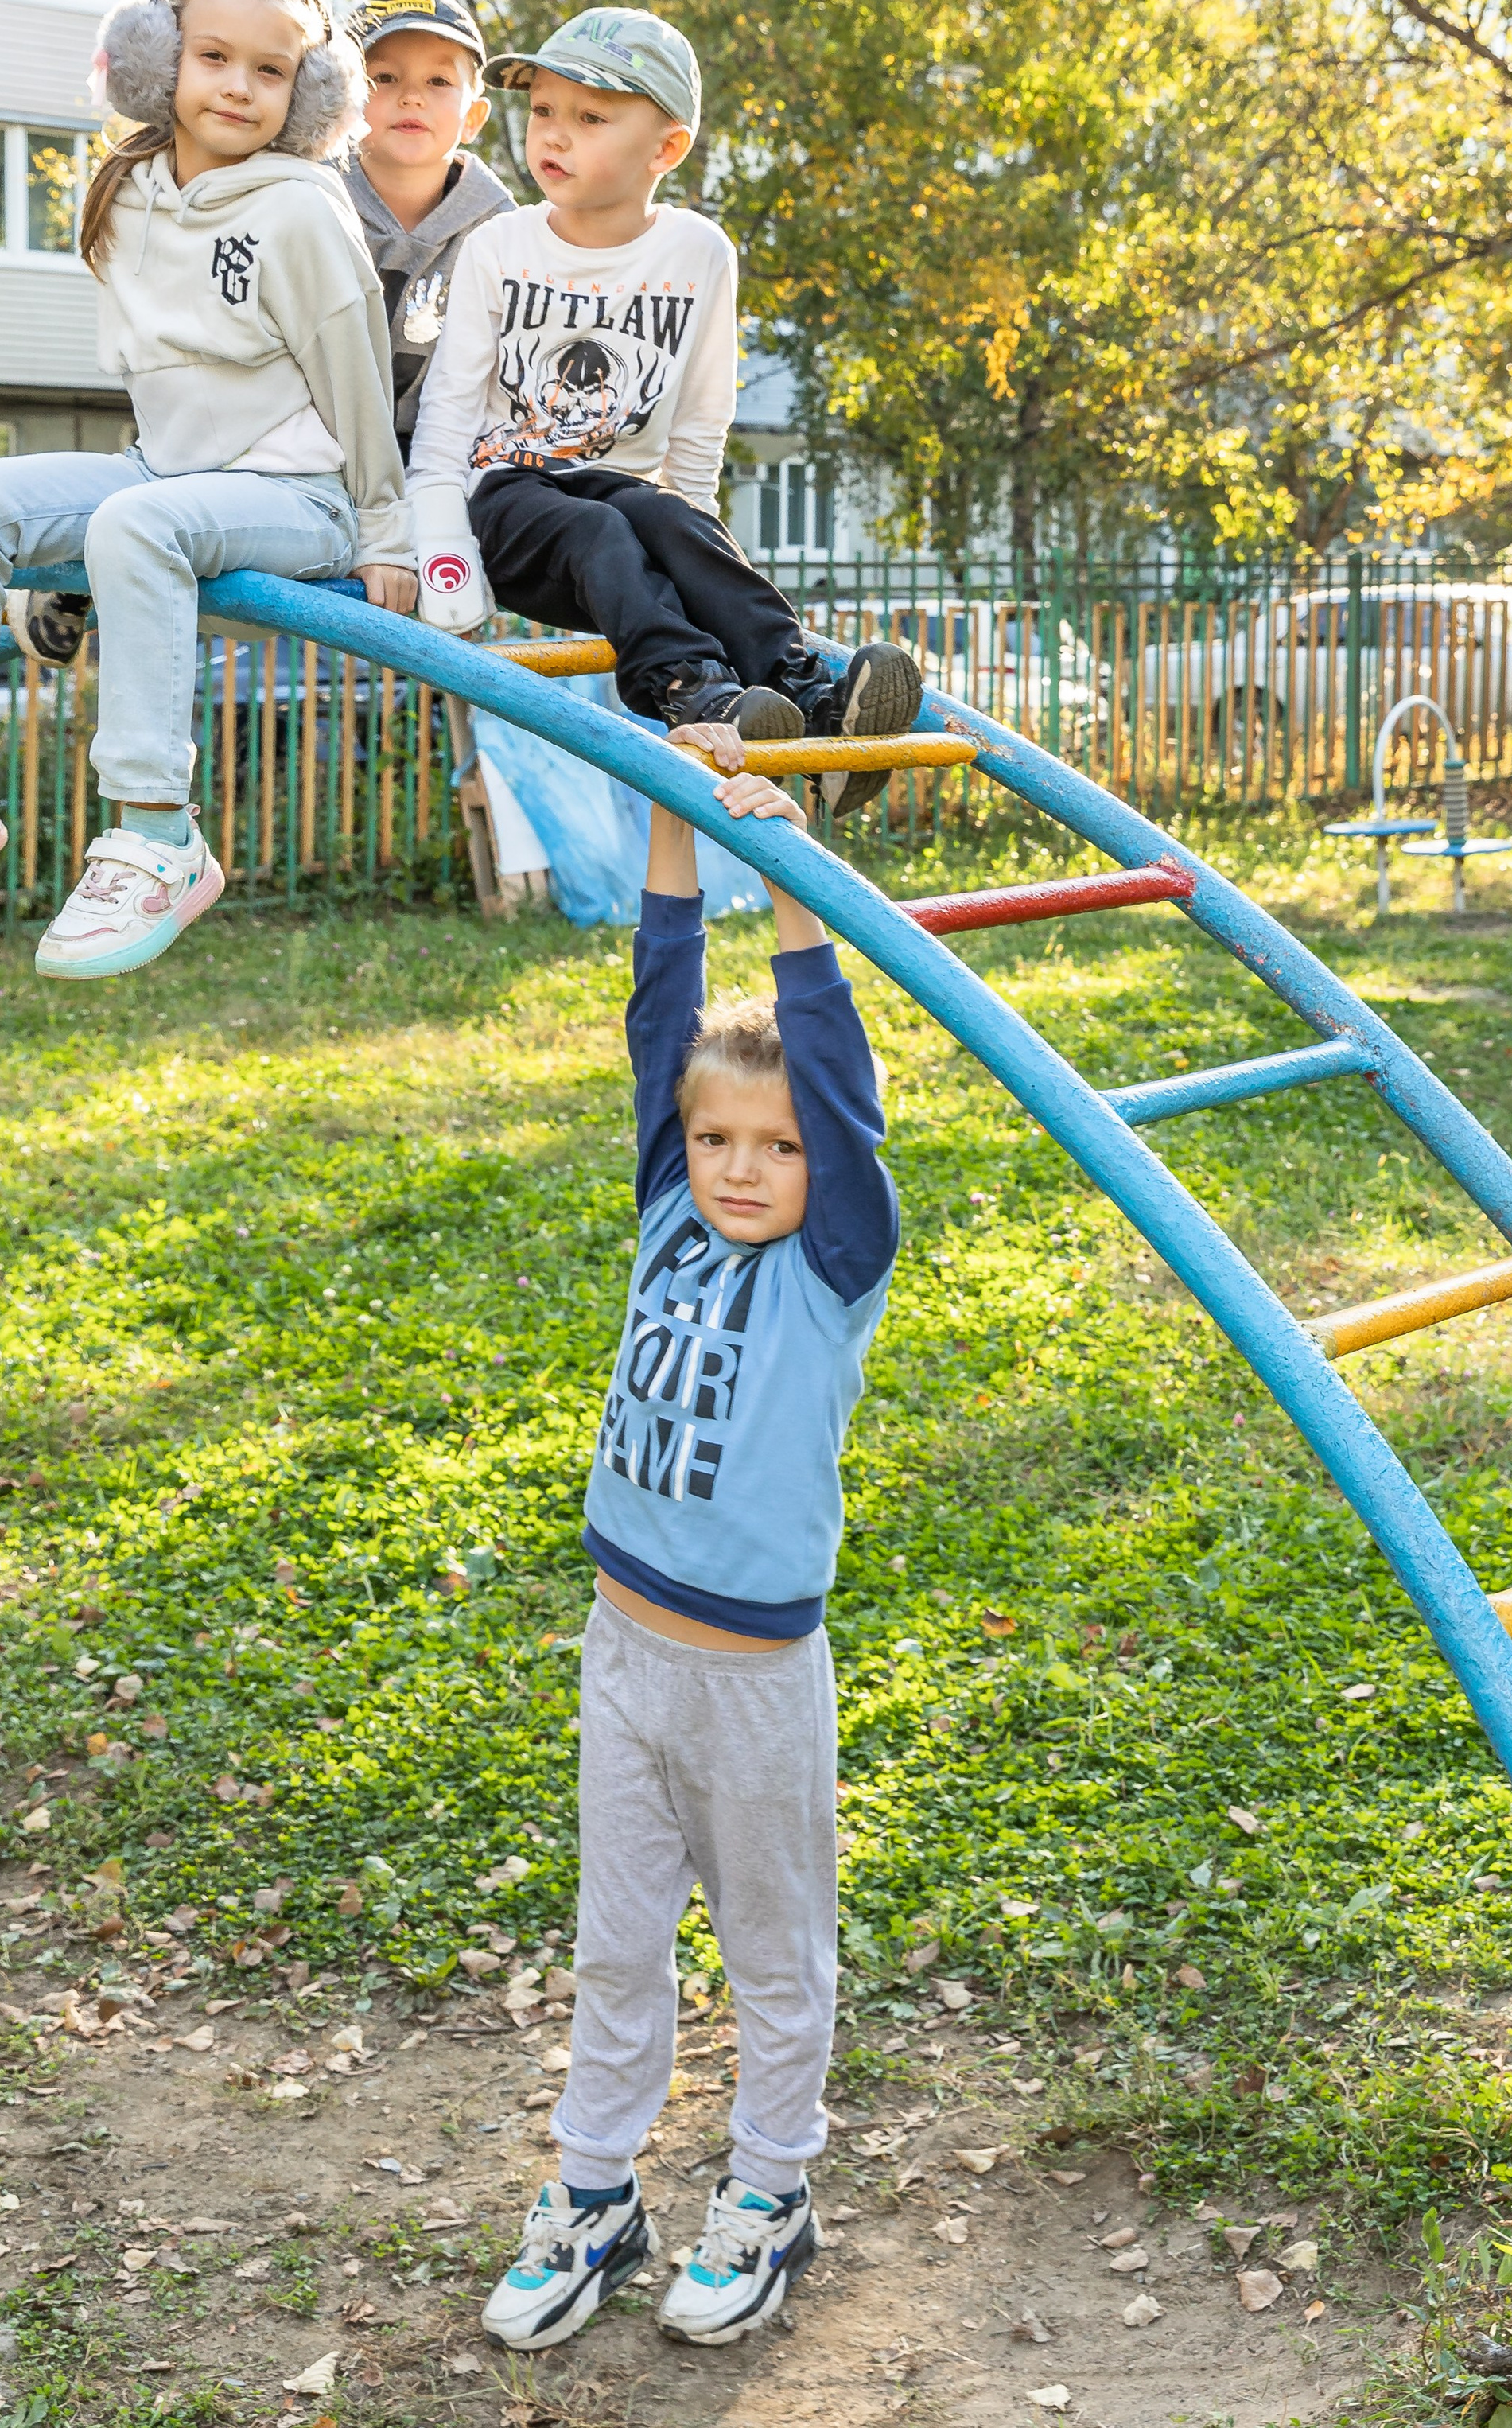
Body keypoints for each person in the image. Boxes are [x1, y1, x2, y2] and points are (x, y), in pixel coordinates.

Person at [483, 745, 898, 2354]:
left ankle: (770, 2188)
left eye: (774, 1147)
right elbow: (663, 1008)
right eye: (719, 1139)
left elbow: (838, 1087)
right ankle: (594, 2191)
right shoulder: (668, 1204)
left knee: (775, 1958)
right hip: (624, 1658)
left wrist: (789, 890)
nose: (739, 1166)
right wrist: (665, 816)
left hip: (752, 1682)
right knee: (613, 1948)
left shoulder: (833, 1269)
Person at [0, 0, 415, 980]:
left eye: (270, 71)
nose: (237, 86)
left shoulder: (301, 210)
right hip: (164, 479)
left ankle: (158, 833)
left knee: (133, 524)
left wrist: (387, 529)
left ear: (310, 91)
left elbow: (359, 380)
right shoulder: (129, 186)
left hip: (301, 500)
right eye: (213, 56)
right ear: (153, 63)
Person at [406, 3, 923, 814]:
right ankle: (689, 688)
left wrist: (696, 556)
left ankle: (813, 702)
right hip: (503, 504)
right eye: (543, 110)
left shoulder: (697, 252)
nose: (554, 134)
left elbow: (701, 422)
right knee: (602, 525)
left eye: (590, 117)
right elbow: (448, 407)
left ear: (667, 148)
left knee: (670, 517)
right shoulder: (500, 246)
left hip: (618, 490)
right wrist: (435, 540)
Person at [340, 0, 517, 449]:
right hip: (311, 449)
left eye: (438, 82)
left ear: (474, 117)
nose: (412, 97)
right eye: (383, 78)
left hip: (445, 457)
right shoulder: (309, 199)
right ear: (342, 99)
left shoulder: (501, 233)